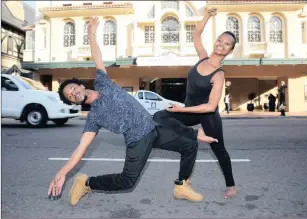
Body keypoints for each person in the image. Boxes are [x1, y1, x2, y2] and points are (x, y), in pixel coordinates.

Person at [47, 17, 218, 206]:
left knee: (190, 145)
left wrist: (91, 34)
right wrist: (62, 173)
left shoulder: (102, 82)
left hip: (153, 128)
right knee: (127, 182)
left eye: (72, 88)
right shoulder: (93, 117)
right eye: (70, 96)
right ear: (74, 101)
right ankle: (86, 183)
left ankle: (181, 186)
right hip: (138, 140)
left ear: (79, 85)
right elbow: (81, 147)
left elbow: (97, 56)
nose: (73, 93)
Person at [153, 8, 237, 199]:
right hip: (189, 111)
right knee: (159, 116)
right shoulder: (203, 57)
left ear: (230, 50)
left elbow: (209, 106)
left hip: (207, 115)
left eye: (227, 44)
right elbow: (196, 33)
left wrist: (183, 109)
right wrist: (207, 15)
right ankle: (193, 136)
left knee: (219, 149)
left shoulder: (219, 75)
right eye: (220, 41)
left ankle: (231, 185)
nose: (221, 45)